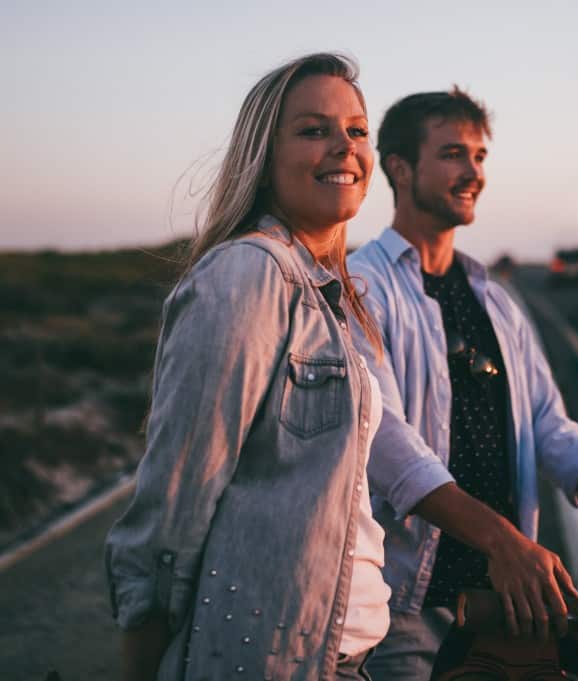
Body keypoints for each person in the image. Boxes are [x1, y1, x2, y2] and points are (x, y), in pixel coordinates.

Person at [347, 88, 578, 680]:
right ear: (400, 168)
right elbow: (383, 440)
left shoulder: (496, 302)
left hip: (508, 609)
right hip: (403, 607)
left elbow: (545, 423)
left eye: (481, 157)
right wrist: (505, 542)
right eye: (454, 154)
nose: (473, 173)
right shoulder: (364, 287)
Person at [105, 53, 390, 681]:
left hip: (343, 658)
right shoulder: (248, 275)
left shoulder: (326, 293)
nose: (344, 146)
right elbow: (174, 500)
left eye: (357, 130)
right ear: (262, 160)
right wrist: (138, 664)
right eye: (314, 130)